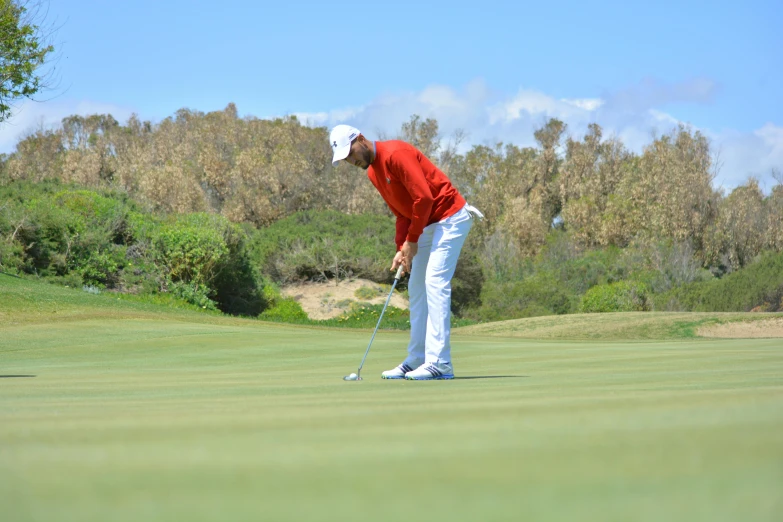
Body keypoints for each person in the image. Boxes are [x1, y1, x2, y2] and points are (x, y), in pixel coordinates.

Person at [329, 124, 483, 380]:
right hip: (427, 223)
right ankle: (417, 359)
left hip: (450, 217)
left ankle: (440, 363)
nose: (350, 160)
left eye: (350, 152)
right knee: (417, 287)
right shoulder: (373, 174)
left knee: (435, 282)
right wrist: (402, 247)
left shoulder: (396, 153)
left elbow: (424, 198)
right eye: (344, 158)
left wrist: (412, 240)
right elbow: (402, 212)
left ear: (362, 139)